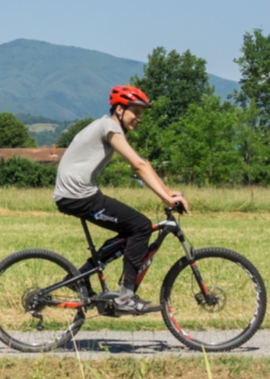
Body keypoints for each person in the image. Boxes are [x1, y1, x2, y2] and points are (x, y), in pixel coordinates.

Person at [51, 85, 189, 314]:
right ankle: (126, 298)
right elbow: (139, 165)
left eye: (141, 113)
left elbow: (142, 163)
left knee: (129, 232)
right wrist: (166, 198)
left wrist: (168, 192)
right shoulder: (109, 126)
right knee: (141, 226)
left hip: (77, 194)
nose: (139, 118)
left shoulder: (109, 127)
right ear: (119, 109)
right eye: (136, 112)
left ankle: (81, 276)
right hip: (78, 195)